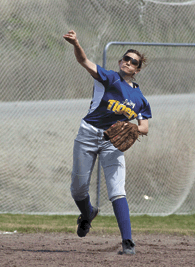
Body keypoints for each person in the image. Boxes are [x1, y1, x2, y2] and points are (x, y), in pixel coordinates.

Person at [63, 30, 152, 255]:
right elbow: (83, 61)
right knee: (78, 189)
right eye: (126, 58)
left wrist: (131, 127)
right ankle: (87, 214)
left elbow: (144, 128)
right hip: (88, 134)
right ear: (120, 61)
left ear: (137, 69)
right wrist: (76, 42)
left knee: (116, 189)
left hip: (112, 141)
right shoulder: (109, 77)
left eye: (134, 61)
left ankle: (128, 242)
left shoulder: (140, 99)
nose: (128, 62)